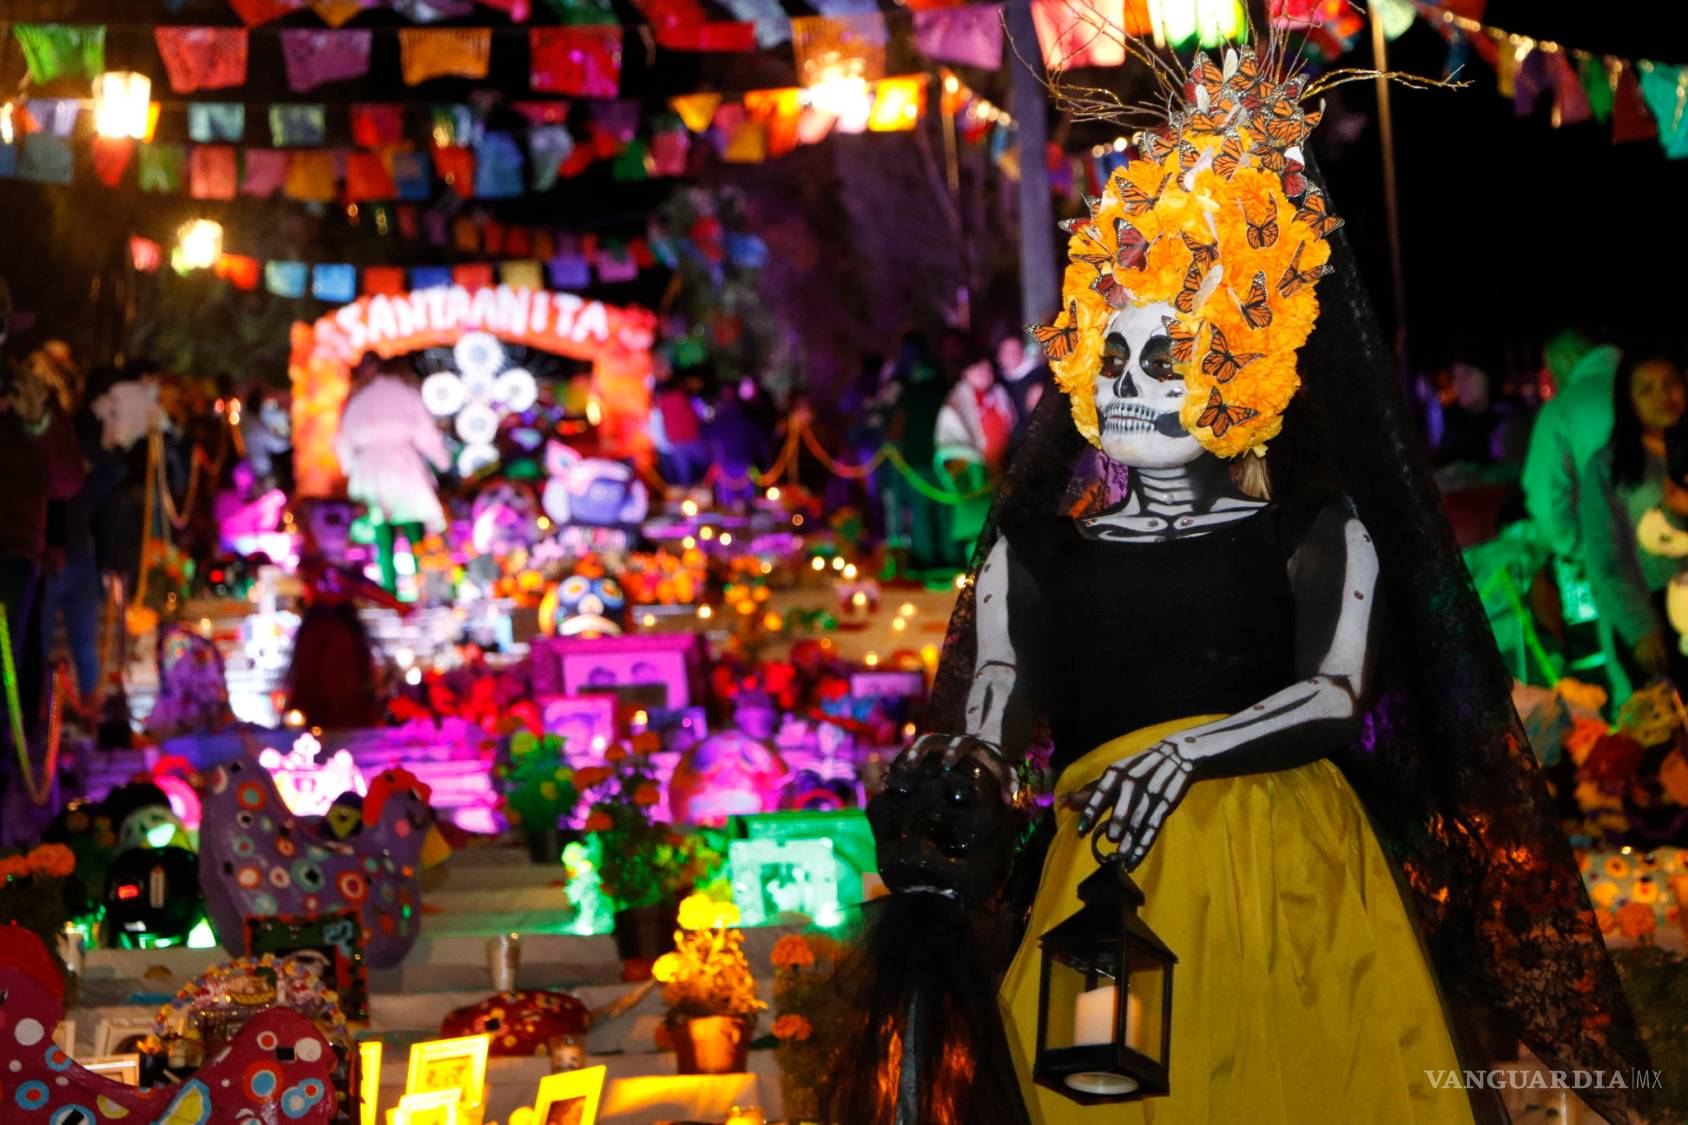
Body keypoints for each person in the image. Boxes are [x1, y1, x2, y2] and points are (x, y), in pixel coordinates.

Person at [832, 43, 1645, 1125]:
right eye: (1111, 360)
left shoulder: (1316, 528)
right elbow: (994, 701)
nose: (1128, 389)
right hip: (1107, 888)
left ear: (1237, 366)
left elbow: (1330, 694)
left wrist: (1185, 748)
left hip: (1296, 884)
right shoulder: (1033, 550)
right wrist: (958, 777)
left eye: (1164, 361)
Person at [1580, 350, 1688, 688]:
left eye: (1670, 383)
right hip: (1658, 614)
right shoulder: (1608, 468)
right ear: (1628, 400)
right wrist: (1640, 627)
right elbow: (1606, 559)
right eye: (1646, 389)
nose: (1663, 397)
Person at [334, 354, 450, 592]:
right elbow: (425, 433)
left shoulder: (359, 398)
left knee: (383, 535)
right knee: (412, 530)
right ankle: (423, 589)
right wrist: (442, 461)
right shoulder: (404, 393)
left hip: (371, 470)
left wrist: (350, 468)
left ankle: (390, 592)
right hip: (403, 467)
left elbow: (342, 441)